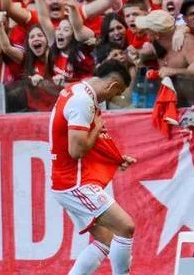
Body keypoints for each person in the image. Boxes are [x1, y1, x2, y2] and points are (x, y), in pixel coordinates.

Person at [49, 60, 135, 275]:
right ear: (113, 86)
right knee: (125, 227)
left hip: (67, 181)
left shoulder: (75, 89)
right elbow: (76, 150)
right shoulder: (82, 101)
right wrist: (96, 128)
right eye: (117, 93)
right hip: (74, 183)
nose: (113, 98)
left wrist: (114, 157)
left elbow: (79, 143)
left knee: (105, 240)